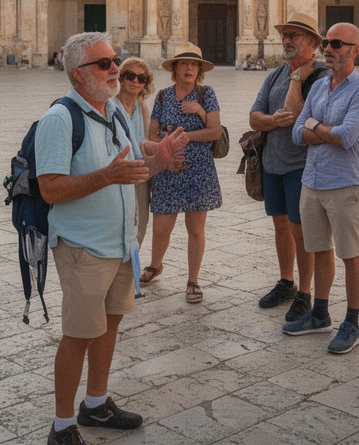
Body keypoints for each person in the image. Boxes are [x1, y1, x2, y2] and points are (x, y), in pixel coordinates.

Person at [36, 32, 187, 445]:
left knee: (109, 325)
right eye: (102, 63)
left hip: (121, 245)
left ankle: (96, 402)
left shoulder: (117, 113)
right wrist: (107, 176)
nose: (114, 69)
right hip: (84, 246)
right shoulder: (60, 119)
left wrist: (161, 159)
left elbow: (134, 171)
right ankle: (63, 424)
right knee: (79, 334)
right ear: (76, 74)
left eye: (114, 60)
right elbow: (49, 188)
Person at [288, 23, 359, 354]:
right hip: (312, 181)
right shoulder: (319, 86)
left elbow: (348, 136)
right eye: (326, 42)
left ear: (355, 49)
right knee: (319, 250)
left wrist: (315, 126)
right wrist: (320, 128)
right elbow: (298, 132)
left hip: (344, 183)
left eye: (336, 43)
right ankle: (320, 313)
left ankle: (352, 322)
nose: (328, 48)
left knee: (350, 254)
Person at [249, 12, 328, 318]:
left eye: (294, 35)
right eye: (285, 35)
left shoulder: (320, 77)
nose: (287, 41)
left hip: (301, 165)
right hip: (273, 163)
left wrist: (297, 77)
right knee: (280, 225)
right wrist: (271, 120)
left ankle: (305, 293)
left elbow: (294, 112)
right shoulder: (275, 74)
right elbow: (255, 116)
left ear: (312, 42)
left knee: (301, 230)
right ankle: (287, 281)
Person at [142, 43, 224, 304]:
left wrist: (187, 132)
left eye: (194, 64)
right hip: (168, 168)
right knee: (161, 227)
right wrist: (166, 157)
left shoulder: (206, 94)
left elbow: (215, 132)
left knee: (195, 228)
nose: (189, 68)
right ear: (175, 69)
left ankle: (193, 279)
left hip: (198, 170)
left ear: (199, 70)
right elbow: (152, 134)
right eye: (184, 64)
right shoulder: (164, 97)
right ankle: (156, 265)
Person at [116, 57, 156, 246]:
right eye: (130, 76)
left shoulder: (142, 108)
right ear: (121, 78)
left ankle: (132, 269)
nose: (135, 81)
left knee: (140, 224)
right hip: (118, 172)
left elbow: (147, 140)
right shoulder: (110, 106)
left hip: (141, 172)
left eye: (142, 79)